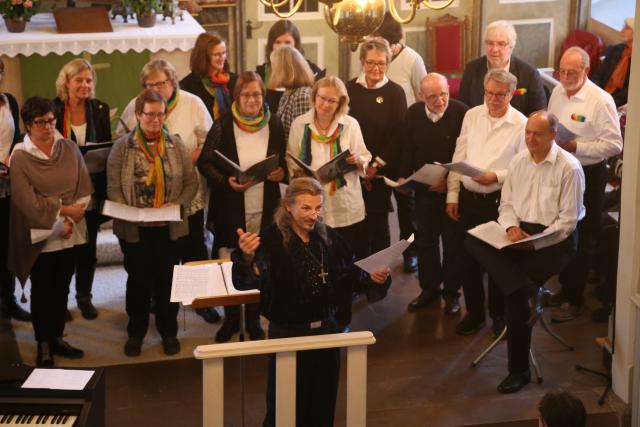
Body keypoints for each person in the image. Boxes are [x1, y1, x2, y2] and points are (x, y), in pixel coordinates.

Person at [231, 177, 391, 427]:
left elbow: (348, 275)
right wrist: (245, 257)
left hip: (327, 332)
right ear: (288, 206)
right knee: (285, 407)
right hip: (288, 333)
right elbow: (245, 283)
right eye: (306, 208)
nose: (313, 215)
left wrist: (372, 277)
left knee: (322, 403)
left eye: (318, 208)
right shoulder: (271, 241)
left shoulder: (329, 238)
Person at [464, 112, 584, 393]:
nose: (530, 139)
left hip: (553, 241)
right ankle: (521, 287)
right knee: (472, 241)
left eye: (537, 134)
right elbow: (506, 206)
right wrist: (510, 229)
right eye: (527, 133)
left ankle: (519, 372)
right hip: (520, 234)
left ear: (553, 135)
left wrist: (535, 242)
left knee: (515, 299)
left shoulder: (570, 168)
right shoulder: (518, 162)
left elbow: (567, 223)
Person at [118, 59, 218, 324]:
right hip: (150, 201)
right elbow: (122, 138)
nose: (155, 88)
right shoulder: (135, 106)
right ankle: (155, 298)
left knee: (195, 247)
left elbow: (210, 139)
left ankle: (201, 300)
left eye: (160, 83)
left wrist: (191, 158)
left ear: (172, 81)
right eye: (149, 84)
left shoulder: (193, 103)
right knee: (158, 256)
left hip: (187, 194)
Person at [108, 89, 198, 357]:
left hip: (168, 228)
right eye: (150, 115)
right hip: (134, 230)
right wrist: (131, 209)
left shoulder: (176, 144)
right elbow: (113, 188)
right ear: (138, 115)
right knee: (138, 281)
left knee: (167, 281)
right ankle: (135, 332)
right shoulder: (122, 147)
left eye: (161, 114)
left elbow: (191, 183)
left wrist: (178, 204)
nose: (156, 120)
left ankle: (168, 331)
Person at [198, 71, 287, 343]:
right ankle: (232, 320)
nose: (252, 99)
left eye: (257, 94)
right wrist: (226, 181)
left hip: (265, 206)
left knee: (261, 263)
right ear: (237, 97)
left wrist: (280, 173)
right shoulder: (224, 124)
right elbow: (205, 162)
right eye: (246, 94)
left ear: (264, 96)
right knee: (232, 264)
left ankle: (254, 320)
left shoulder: (274, 123)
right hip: (232, 206)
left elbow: (282, 160)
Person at [8, 96, 93, 366]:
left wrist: (73, 216)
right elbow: (27, 202)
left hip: (69, 232)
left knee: (61, 288)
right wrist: (66, 214)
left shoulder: (68, 147)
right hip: (41, 234)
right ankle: (42, 342)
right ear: (27, 125)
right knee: (43, 290)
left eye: (51, 120)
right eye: (40, 122)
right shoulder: (20, 157)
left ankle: (57, 336)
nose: (47, 126)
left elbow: (83, 186)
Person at [446, 69, 527, 337]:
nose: (492, 99)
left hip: (498, 202)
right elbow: (459, 154)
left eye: (499, 95)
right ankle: (475, 314)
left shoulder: (521, 124)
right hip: (469, 200)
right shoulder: (472, 115)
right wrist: (453, 194)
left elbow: (523, 168)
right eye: (489, 93)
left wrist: (496, 176)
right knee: (467, 259)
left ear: (511, 94)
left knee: (497, 262)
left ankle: (498, 314)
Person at [548, 47, 623, 322]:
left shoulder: (600, 100)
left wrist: (575, 145)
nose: (565, 77)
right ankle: (566, 288)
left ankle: (575, 299)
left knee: (581, 236)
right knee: (562, 231)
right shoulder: (557, 91)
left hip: (588, 175)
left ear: (586, 71)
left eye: (572, 73)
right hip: (560, 170)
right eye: (562, 71)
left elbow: (615, 144)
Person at [287, 76, 372, 293]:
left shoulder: (350, 125)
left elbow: (365, 155)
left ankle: (346, 292)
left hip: (344, 201)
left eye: (332, 101)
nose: (325, 105)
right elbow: (291, 158)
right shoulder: (300, 124)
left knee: (345, 253)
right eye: (322, 98)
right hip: (312, 202)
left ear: (340, 102)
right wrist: (297, 174)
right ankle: (319, 293)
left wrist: (358, 160)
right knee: (316, 253)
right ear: (314, 97)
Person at [399, 73, 468, 315]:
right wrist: (403, 176)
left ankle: (452, 294)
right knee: (426, 242)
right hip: (424, 190)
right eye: (433, 97)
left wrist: (448, 181)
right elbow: (407, 148)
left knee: (452, 244)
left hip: (453, 191)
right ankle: (429, 289)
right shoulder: (413, 114)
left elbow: (467, 154)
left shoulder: (461, 113)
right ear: (421, 96)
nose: (440, 101)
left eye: (444, 94)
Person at [345, 37, 406, 301]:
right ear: (362, 62)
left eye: (381, 63)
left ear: (388, 63)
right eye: (370, 62)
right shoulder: (349, 89)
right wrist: (360, 165)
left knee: (379, 228)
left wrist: (376, 164)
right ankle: (359, 278)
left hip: (381, 172)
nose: (375, 68)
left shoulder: (396, 92)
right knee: (356, 228)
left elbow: (398, 135)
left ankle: (379, 280)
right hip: (352, 170)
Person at [53, 58, 111, 320]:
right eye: (79, 80)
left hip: (92, 188)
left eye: (89, 80)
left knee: (88, 248)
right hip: (61, 190)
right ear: (66, 82)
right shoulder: (53, 109)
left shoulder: (100, 108)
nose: (85, 85)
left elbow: (106, 147)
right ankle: (61, 301)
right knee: (63, 250)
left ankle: (84, 297)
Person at [458, 20, 546, 117]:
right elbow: (463, 107)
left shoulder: (529, 73)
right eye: (490, 43)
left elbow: (538, 112)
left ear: (511, 46)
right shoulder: (472, 69)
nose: (494, 49)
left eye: (501, 44)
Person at [0, 58, 30, 322]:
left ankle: (8, 301)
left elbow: (17, 136)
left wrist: (14, 157)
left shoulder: (9, 100)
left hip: (8, 185)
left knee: (7, 245)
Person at [256, 20, 326, 110]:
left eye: (287, 42)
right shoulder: (262, 73)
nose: (282, 47)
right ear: (271, 45)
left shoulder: (313, 71)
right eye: (277, 42)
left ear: (295, 45)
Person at [180, 32, 238, 122]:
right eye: (217, 54)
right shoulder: (188, 85)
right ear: (204, 57)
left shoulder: (234, 80)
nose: (222, 58)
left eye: (224, 53)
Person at [374, 11, 427, 106]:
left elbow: (424, 97)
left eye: (383, 44)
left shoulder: (413, 59)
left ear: (393, 41)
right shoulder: (371, 55)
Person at [270, 45, 314, 143]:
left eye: (273, 66)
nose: (272, 71)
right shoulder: (287, 93)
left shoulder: (302, 96)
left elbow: (303, 139)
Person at [591, 17, 634, 107]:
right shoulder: (615, 49)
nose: (621, 30)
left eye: (626, 28)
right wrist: (594, 94)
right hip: (600, 96)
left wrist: (608, 103)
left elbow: (628, 92)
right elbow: (598, 75)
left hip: (617, 103)